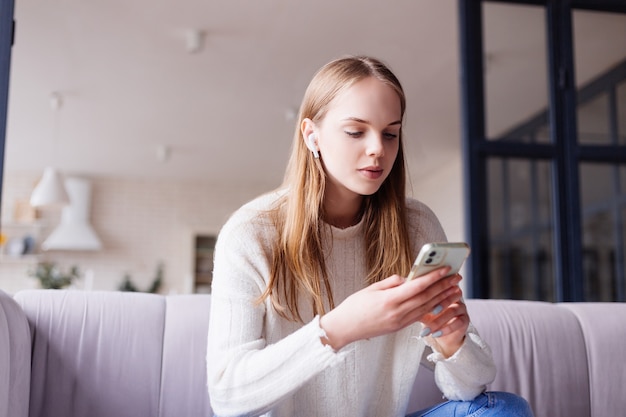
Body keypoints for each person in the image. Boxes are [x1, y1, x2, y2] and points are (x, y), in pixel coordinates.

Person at [206, 55, 533, 417]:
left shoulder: (417, 228)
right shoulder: (252, 234)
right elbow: (226, 396)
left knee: (505, 410)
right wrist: (339, 329)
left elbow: (469, 387)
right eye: (356, 131)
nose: (378, 148)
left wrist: (452, 341)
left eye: (390, 133)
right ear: (311, 135)